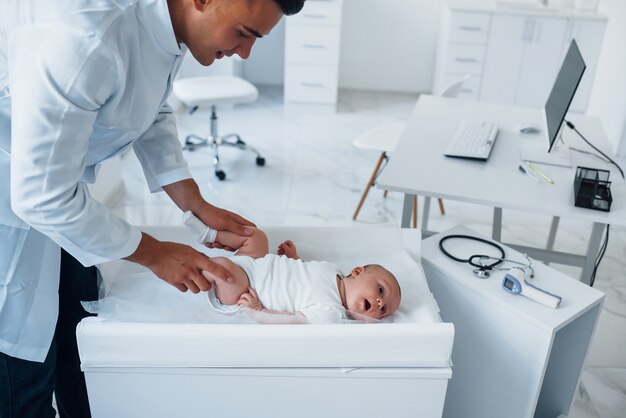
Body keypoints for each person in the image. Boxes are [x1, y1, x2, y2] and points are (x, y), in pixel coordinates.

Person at [0, 0, 305, 417]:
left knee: (81, 340)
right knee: (22, 378)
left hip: (54, 193)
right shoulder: (84, 40)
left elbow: (148, 106)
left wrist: (193, 202)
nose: (245, 53)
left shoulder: (164, 24)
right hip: (14, 200)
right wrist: (156, 254)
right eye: (244, 33)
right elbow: (40, 196)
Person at [197, 225, 402, 324]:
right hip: (258, 263)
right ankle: (208, 234)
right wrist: (294, 258)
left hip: (247, 287)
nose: (379, 303)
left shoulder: (330, 311)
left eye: (383, 311)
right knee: (256, 236)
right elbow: (304, 275)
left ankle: (195, 263)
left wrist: (257, 311)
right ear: (357, 272)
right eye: (381, 290)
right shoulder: (333, 270)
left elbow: (291, 321)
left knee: (221, 268)